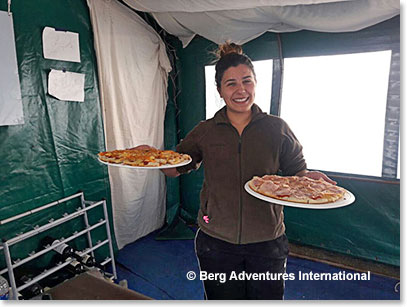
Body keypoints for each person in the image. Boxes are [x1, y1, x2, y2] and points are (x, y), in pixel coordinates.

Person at [137, 42, 335, 300]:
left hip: (267, 241)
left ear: (255, 83)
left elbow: (297, 172)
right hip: (215, 240)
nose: (241, 90)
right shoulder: (205, 131)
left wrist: (311, 180)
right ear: (219, 90)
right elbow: (176, 168)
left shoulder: (277, 128)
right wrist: (153, 157)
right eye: (231, 84)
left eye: (247, 81)